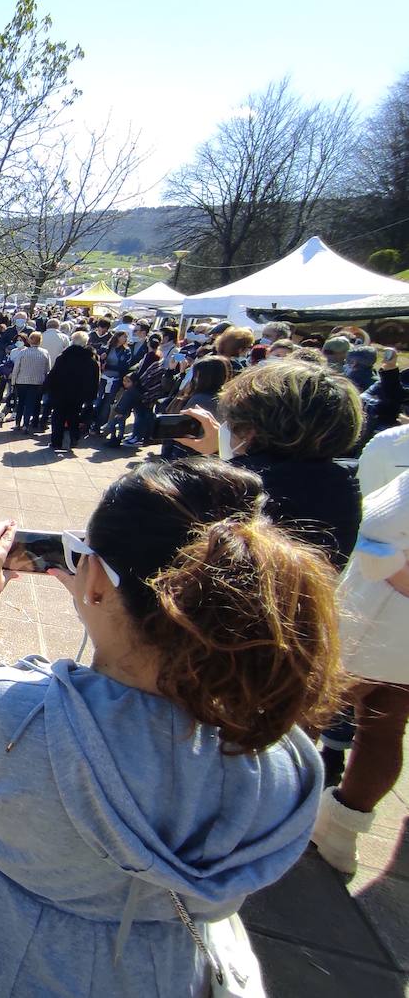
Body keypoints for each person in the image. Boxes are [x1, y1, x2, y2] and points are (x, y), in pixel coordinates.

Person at [0, 458, 343, 998]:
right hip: (160, 971)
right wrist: (99, 581)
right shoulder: (283, 762)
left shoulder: (14, 715)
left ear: (94, 580)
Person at [311, 469, 409, 873]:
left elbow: (378, 530)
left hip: (375, 623)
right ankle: (341, 834)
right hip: (395, 640)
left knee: (303, 714)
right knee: (385, 731)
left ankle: (268, 814)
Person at [180, 358, 364, 569]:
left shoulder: (223, 491)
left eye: (229, 419)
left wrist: (219, 465)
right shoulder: (343, 485)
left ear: (249, 429)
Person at [160, 356, 230, 460]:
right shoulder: (227, 398)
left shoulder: (199, 400)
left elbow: (184, 431)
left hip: (192, 453)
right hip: (215, 453)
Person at [44, 332, 99, 452]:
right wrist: (91, 396)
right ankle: (74, 438)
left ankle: (56, 442)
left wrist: (48, 388)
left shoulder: (63, 357)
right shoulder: (91, 361)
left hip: (60, 393)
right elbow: (94, 380)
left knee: (58, 417)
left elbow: (53, 375)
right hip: (78, 395)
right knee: (74, 416)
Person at [10, 331, 50, 432]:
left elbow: (16, 368)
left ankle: (17, 423)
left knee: (21, 403)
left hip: (21, 381)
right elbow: (47, 369)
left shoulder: (23, 352)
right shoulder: (45, 353)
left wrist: (13, 382)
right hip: (37, 382)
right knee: (30, 403)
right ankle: (26, 424)